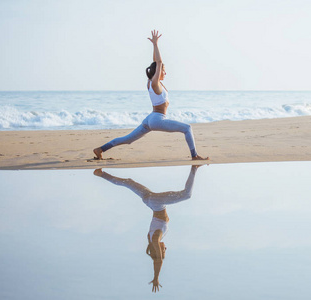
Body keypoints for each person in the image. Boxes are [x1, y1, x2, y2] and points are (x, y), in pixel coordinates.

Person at [93, 30, 208, 161]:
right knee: (187, 128)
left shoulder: (151, 82)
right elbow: (158, 62)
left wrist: (154, 45)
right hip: (157, 119)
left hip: (150, 119)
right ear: (158, 73)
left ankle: (100, 149)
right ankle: (194, 156)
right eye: (164, 71)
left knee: (127, 140)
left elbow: (155, 62)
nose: (165, 73)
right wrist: (156, 45)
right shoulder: (155, 83)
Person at [94, 165, 201, 293]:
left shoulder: (155, 239)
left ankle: (194, 167)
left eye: (164, 251)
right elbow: (153, 254)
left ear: (158, 251)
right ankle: (100, 174)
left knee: (186, 195)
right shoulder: (150, 239)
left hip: (157, 203)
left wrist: (156, 277)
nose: (165, 248)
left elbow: (158, 260)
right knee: (128, 182)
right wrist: (151, 252)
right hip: (148, 201)